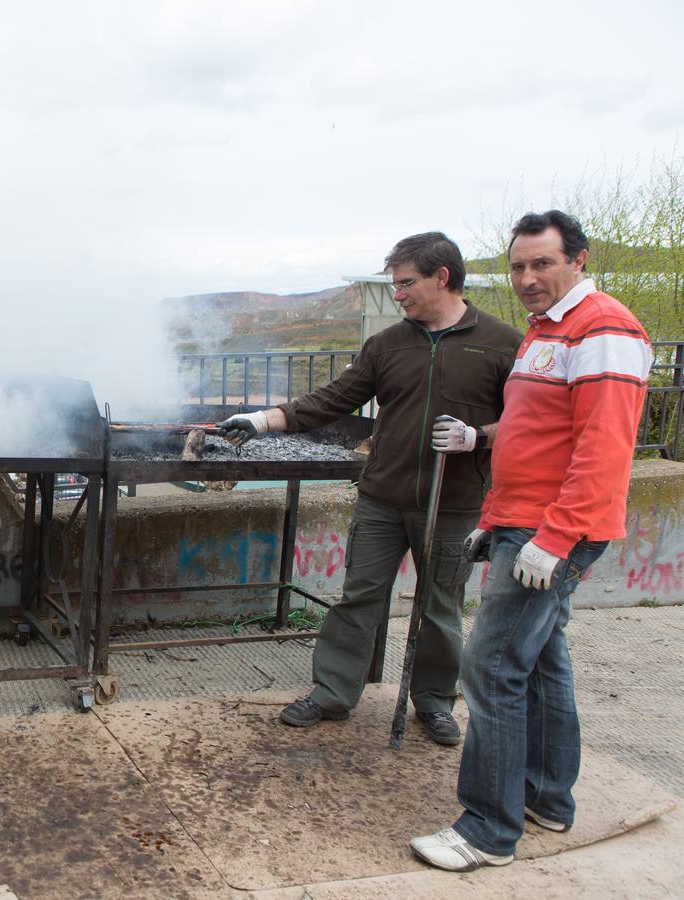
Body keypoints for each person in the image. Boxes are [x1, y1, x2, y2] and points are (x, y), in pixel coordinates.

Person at [411, 211, 652, 871]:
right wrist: (497, 515)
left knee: (490, 668)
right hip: (526, 521)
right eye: (518, 266)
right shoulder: (550, 331)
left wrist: (556, 535)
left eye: (542, 264)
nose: (527, 278)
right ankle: (547, 798)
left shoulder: (603, 329)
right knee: (544, 661)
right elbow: (529, 434)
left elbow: (604, 450)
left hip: (554, 530)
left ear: (578, 260)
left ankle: (487, 829)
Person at [219, 232, 523, 745]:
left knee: (440, 605)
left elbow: (528, 422)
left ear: (441, 277)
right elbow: (335, 398)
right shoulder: (388, 344)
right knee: (358, 597)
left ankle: (433, 702)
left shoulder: (501, 343)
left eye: (406, 283)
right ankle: (333, 693)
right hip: (383, 499)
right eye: (395, 284)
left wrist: (479, 437)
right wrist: (264, 419)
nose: (397, 295)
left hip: (452, 503)